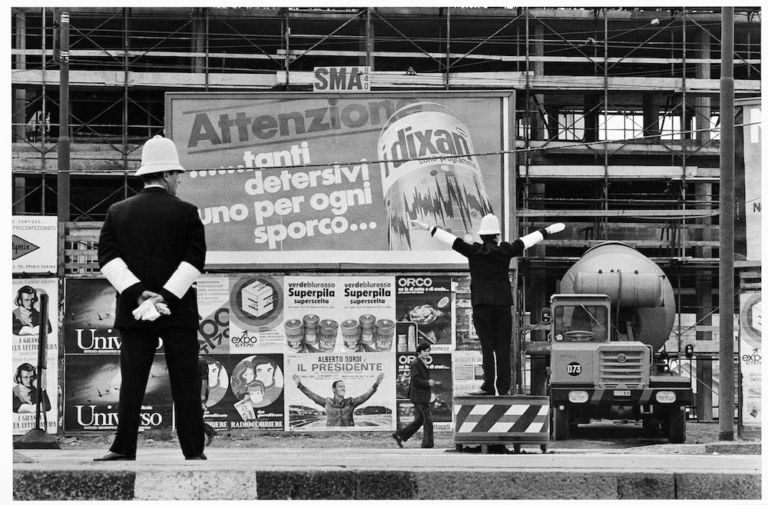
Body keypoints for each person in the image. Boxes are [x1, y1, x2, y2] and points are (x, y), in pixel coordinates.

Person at [93, 135, 207, 462]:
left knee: (132, 382)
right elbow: (194, 261)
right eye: (177, 176)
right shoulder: (187, 212)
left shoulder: (117, 211)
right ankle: (193, 449)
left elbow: (108, 260)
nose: (178, 181)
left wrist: (139, 293)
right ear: (168, 174)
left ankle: (123, 447)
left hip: (134, 309)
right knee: (185, 382)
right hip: (179, 308)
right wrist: (165, 296)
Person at [410, 215, 564, 396]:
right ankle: (504, 388)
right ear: (497, 236)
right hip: (503, 305)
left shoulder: (474, 251)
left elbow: (452, 240)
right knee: (503, 348)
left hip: (481, 305)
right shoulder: (505, 250)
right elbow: (526, 242)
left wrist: (429, 228)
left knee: (487, 348)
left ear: (481, 236)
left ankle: (488, 386)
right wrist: (548, 230)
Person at [292, 372, 385, 427]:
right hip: (331, 437)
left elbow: (365, 396)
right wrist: (299, 385)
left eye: (344, 387)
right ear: (334, 389)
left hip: (349, 436)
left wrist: (376, 384)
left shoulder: (351, 402)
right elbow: (312, 395)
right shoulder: (327, 402)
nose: (343, 388)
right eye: (340, 386)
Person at [392, 343, 439, 448]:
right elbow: (416, 379)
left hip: (421, 396)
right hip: (419, 397)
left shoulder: (421, 362)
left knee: (420, 420)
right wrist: (428, 383)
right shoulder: (415, 363)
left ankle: (400, 435)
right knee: (428, 421)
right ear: (420, 352)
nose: (427, 353)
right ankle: (427, 444)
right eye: (425, 351)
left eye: (428, 351)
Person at [198, 358, 217, 446]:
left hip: (199, 393)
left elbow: (204, 380)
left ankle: (210, 432)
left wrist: (202, 396)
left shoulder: (201, 362)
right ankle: (209, 432)